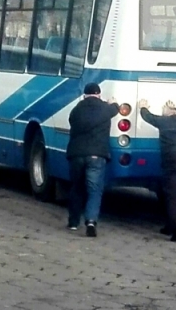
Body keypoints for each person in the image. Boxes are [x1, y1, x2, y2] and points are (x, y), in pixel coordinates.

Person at [138, 99, 176, 242]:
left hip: (173, 160)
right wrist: (173, 109)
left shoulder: (164, 122)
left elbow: (148, 117)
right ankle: (170, 225)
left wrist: (143, 107)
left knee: (172, 195)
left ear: (167, 114)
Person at [66, 83, 119, 237]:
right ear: (99, 95)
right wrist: (113, 102)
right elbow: (116, 108)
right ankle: (90, 221)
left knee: (76, 187)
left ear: (84, 95)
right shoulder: (105, 109)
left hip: (76, 154)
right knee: (94, 190)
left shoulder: (76, 110)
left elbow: (72, 122)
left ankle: (73, 222)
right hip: (97, 155)